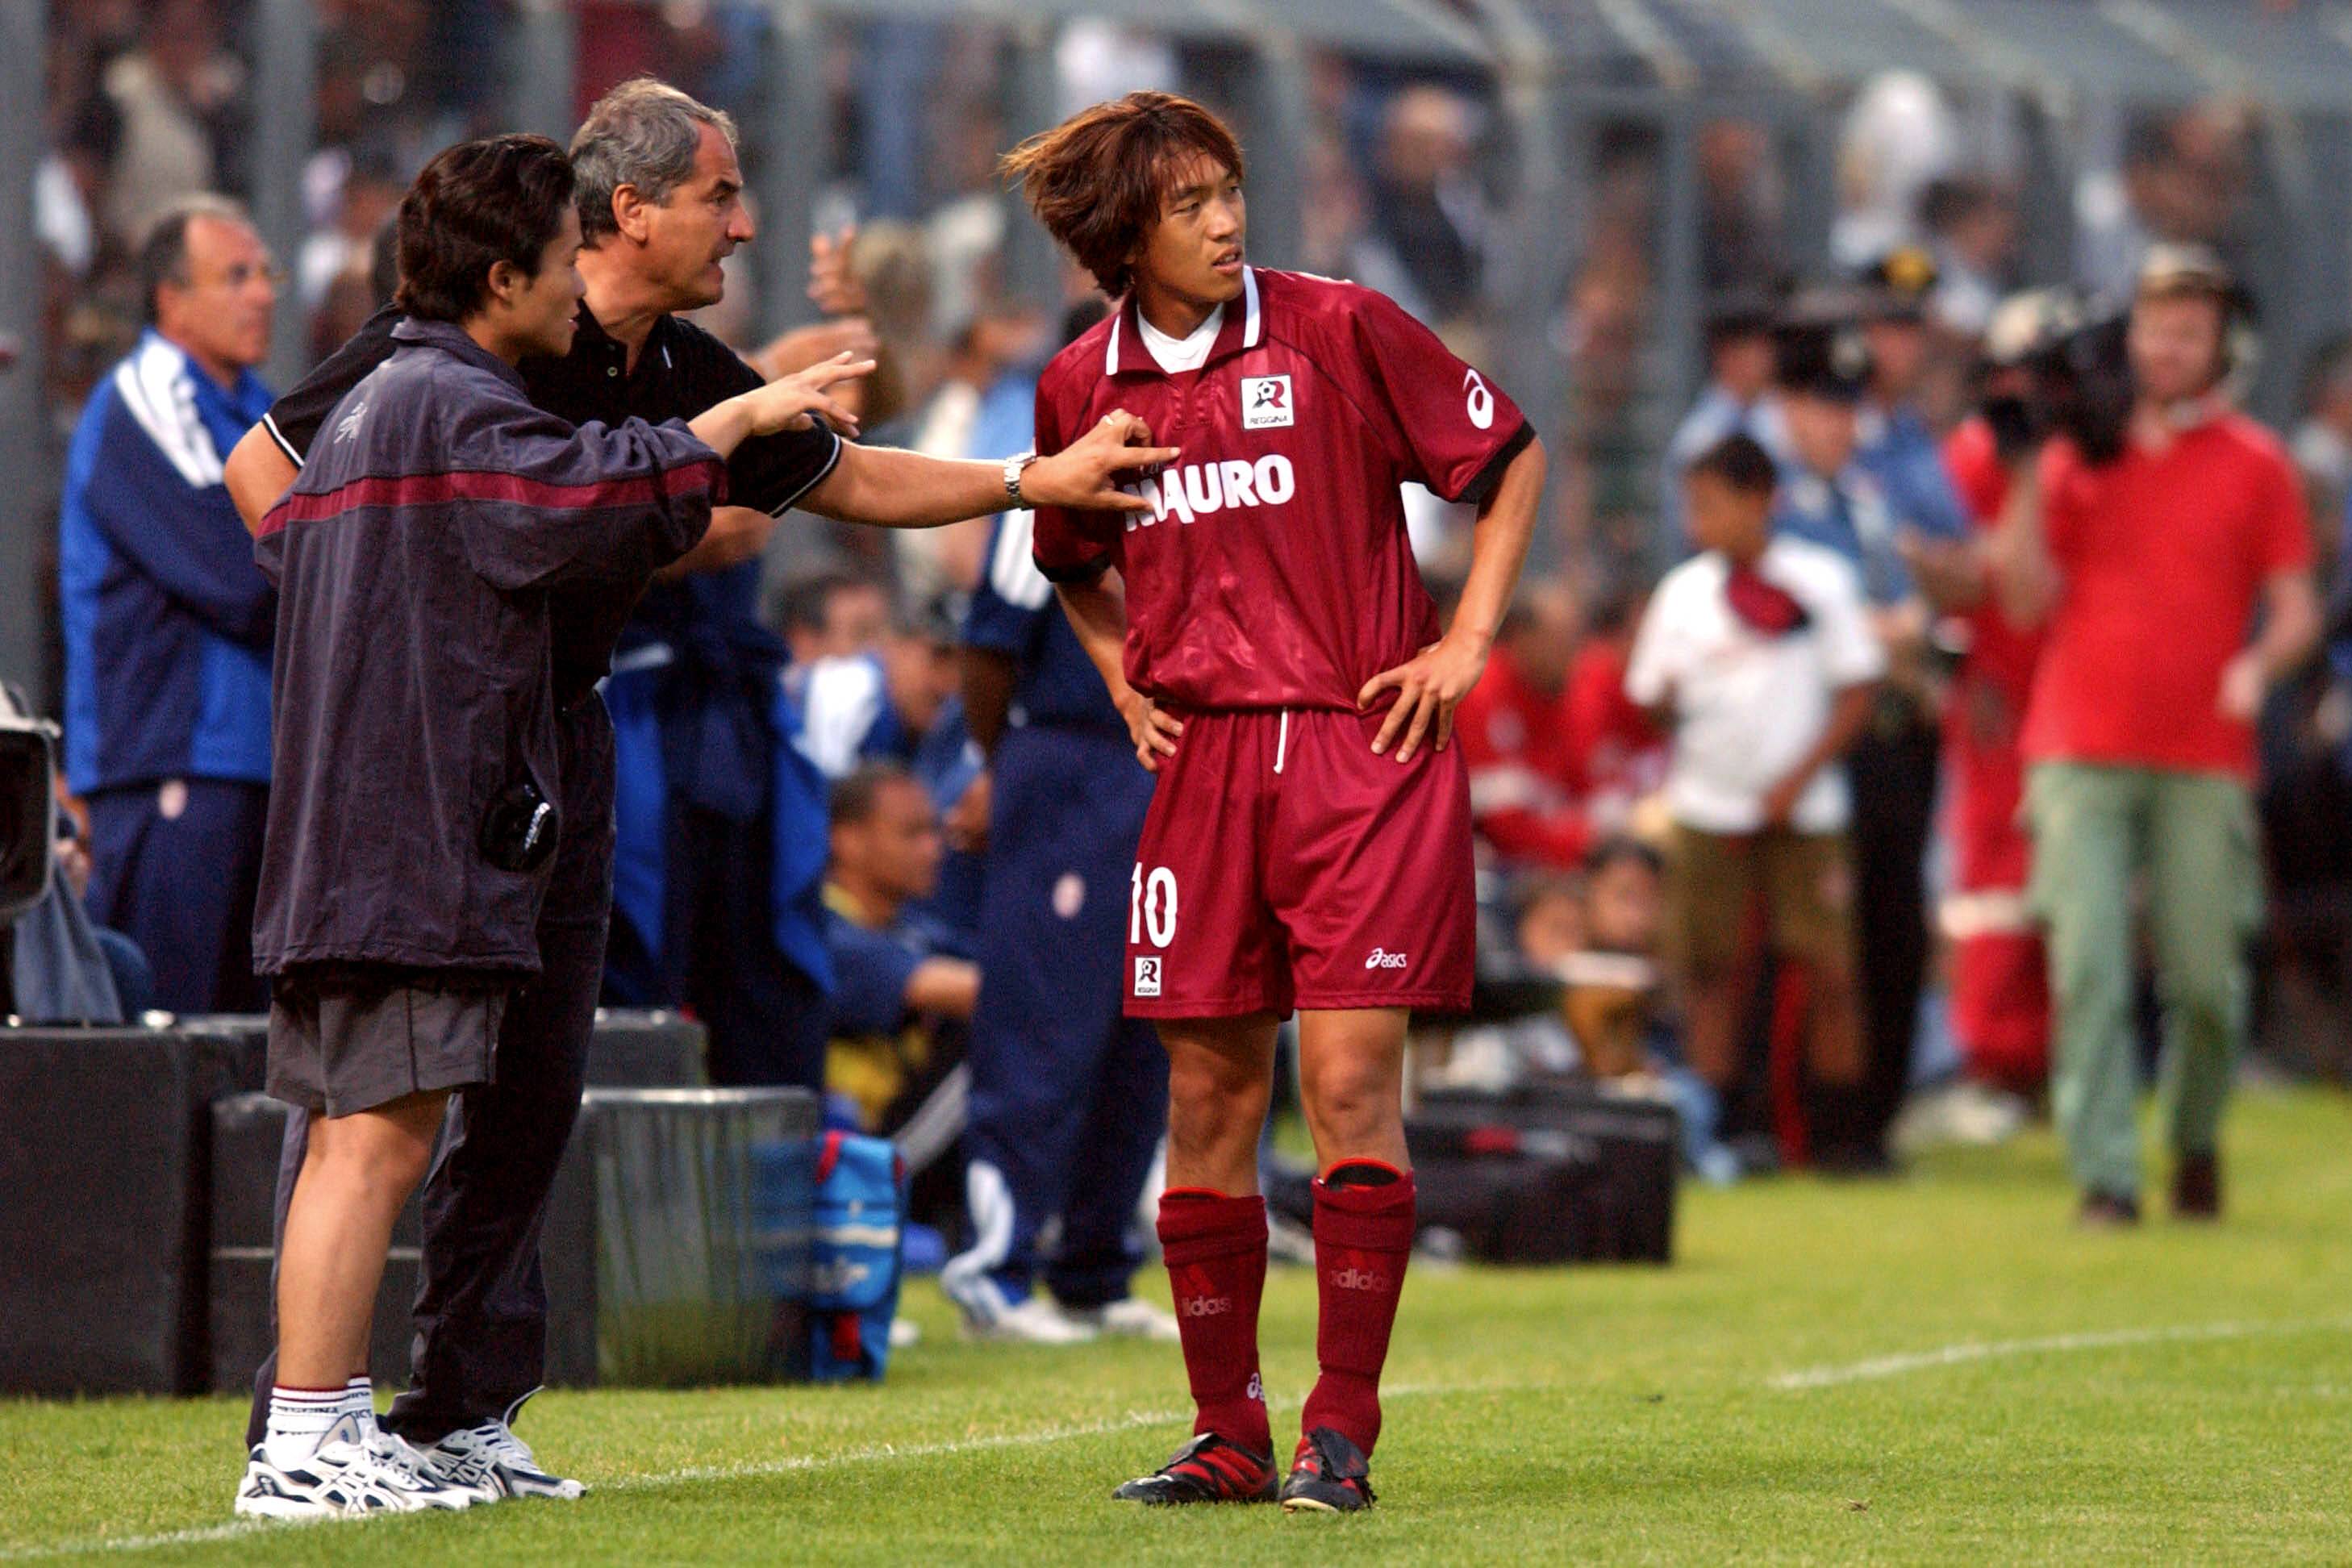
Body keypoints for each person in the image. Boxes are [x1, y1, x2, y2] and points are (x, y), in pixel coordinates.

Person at [223, 77, 1163, 1499]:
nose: (745, 222)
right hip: (435, 747)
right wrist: (407, 611)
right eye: (722, 196)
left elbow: (845, 474)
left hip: (568, 743)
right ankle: (304, 1418)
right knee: (382, 1086)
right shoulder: (456, 351)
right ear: (629, 211)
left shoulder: (668, 356)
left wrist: (1033, 480)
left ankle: (458, 1410)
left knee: (527, 1086)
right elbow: (264, 468)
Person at [236, 132, 840, 1521]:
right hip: (413, 814)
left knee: (360, 1123)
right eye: (563, 264)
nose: (579, 291)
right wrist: (729, 426)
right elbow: (586, 505)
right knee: (374, 1130)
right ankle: (309, 1437)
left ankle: (337, 1427)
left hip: (359, 799)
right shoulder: (456, 405)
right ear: (502, 274)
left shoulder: (389, 402)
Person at [1009, 91, 1546, 1512]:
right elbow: (1069, 555)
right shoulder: (1077, 387)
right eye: (1187, 205)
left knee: (1351, 1080)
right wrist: (1126, 680)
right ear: (1124, 235)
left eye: (1228, 191)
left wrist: (1467, 641)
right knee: (1205, 1091)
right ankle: (1225, 1431)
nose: (1226, 220)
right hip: (1202, 771)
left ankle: (1341, 1428)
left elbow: (1507, 459)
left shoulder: (1340, 326)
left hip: (1363, 744)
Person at [1991, 247, 2319, 1226]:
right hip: (2077, 742)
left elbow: (2296, 604)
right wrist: (2024, 468)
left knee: (2208, 979)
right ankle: (2106, 1176)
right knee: (2087, 964)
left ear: (2222, 347)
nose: (2166, 350)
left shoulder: (2260, 463)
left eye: (2187, 332)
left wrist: (2259, 667)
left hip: (2203, 753)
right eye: (2153, 330)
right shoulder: (2075, 453)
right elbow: (2017, 597)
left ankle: (2194, 1138)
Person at [939, 494, 1173, 1346]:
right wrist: (1001, 764)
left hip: (1175, 762)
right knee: (1045, 1027)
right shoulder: (1060, 479)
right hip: (1070, 760)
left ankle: (1093, 1270)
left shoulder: (1226, 467)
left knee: (1147, 1030)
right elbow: (988, 646)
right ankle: (992, 1272)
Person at [1628, 433, 1884, 1170]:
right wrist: (1665, 705)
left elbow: (1858, 688)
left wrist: (1797, 779)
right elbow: (1648, 700)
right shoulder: (1684, 593)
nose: (1697, 521)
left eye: (1711, 504)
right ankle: (1719, 1130)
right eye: (1691, 505)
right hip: (1708, 808)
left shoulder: (1822, 580)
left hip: (1805, 817)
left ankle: (1840, 1136)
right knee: (1708, 973)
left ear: (1761, 500)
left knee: (1831, 973)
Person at [58, 194, 277, 1014]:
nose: (261, 294)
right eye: (235, 276)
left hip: (266, 768)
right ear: (171, 299)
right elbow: (235, 570)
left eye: (265, 274)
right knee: (169, 1049)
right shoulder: (145, 398)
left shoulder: (261, 408)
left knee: (255, 1066)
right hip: (172, 765)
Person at [1769, 299, 1932, 1171]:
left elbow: (1904, 600)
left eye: (1850, 408)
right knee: (1824, 942)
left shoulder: (1861, 498)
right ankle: (1812, 1121)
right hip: (1816, 743)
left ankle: (1872, 1116)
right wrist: (1887, 630)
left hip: (1889, 735)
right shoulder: (1775, 502)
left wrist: (1893, 628)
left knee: (1891, 932)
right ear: (1790, 408)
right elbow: (1797, 614)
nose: (1843, 425)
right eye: (1826, 407)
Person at [819, 762, 978, 1133]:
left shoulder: (914, 931)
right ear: (846, 839)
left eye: (934, 832)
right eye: (913, 834)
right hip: (855, 1148)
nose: (934, 849)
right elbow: (977, 990)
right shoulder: (826, 931)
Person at [1453, 578, 1593, 871]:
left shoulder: (1558, 692)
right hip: (1490, 866)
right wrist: (1583, 843)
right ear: (1522, 637)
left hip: (1552, 857)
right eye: (1563, 641)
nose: (1575, 656)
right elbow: (1501, 824)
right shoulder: (1480, 691)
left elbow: (1580, 785)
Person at [1658, 290, 1783, 557]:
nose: (1768, 359)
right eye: (1755, 348)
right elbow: (1687, 532)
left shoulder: (1774, 420)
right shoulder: (1700, 439)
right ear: (1727, 354)